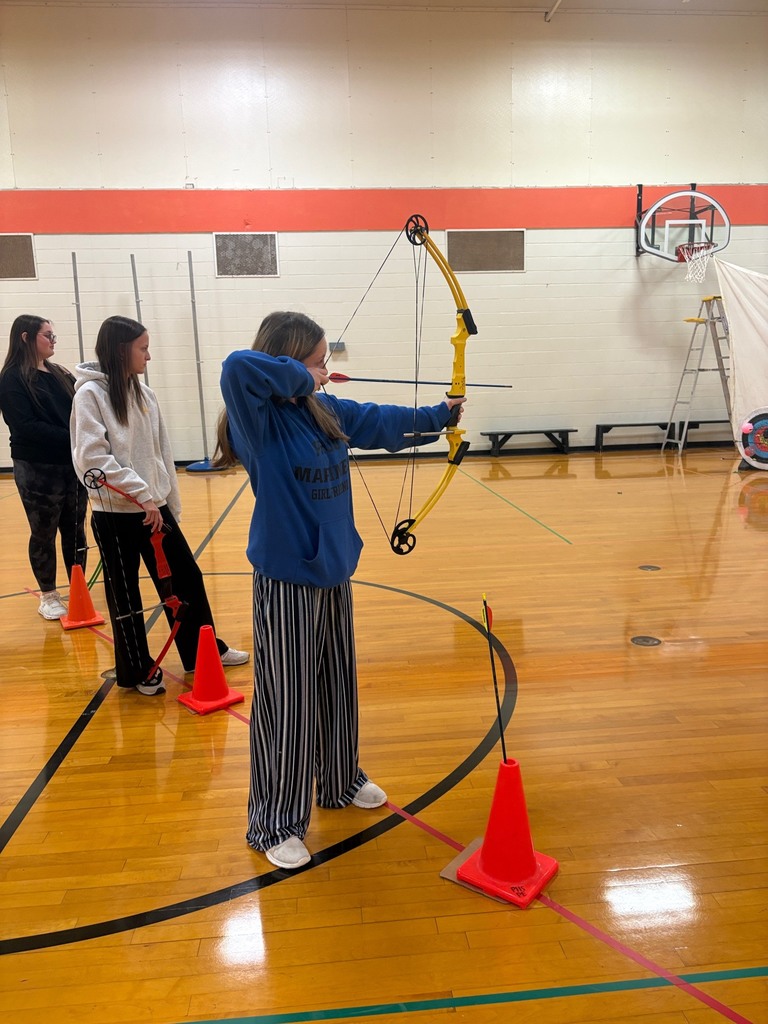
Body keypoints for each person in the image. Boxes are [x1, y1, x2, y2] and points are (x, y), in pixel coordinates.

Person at [216, 310, 466, 870]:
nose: (326, 370)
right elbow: (237, 366)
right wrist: (305, 376)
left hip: (333, 570)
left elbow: (377, 421)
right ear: (288, 359)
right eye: (318, 359)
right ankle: (274, 820)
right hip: (286, 577)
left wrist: (438, 415)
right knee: (288, 702)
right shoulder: (258, 420)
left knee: (335, 686)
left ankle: (338, 781)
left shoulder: (324, 410)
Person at [70, 315, 249, 696]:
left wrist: (169, 505)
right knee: (125, 593)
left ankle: (202, 654)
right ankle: (135, 670)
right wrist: (140, 494)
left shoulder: (145, 395)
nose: (148, 356)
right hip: (114, 515)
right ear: (122, 350)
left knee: (187, 579)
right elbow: (91, 460)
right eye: (143, 348)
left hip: (155, 511)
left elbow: (162, 457)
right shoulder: (89, 396)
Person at [0, 315, 87, 619]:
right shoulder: (12, 378)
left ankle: (79, 588)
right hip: (37, 468)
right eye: (47, 335)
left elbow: (81, 411)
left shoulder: (60, 373)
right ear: (26, 337)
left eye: (54, 336)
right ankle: (48, 594)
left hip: (71, 464)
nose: (52, 341)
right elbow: (24, 426)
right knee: (44, 531)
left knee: (76, 530)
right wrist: (73, 439)